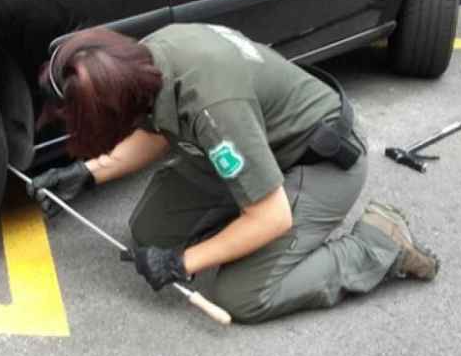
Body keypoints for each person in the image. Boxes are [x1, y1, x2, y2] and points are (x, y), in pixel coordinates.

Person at [28, 24, 439, 324]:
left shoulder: (213, 106)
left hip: (316, 163)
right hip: (250, 147)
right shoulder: (145, 62)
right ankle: (243, 224)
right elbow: (156, 131)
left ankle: (379, 244)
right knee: (149, 232)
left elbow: (272, 216)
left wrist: (182, 262)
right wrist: (86, 173)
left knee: (241, 295)